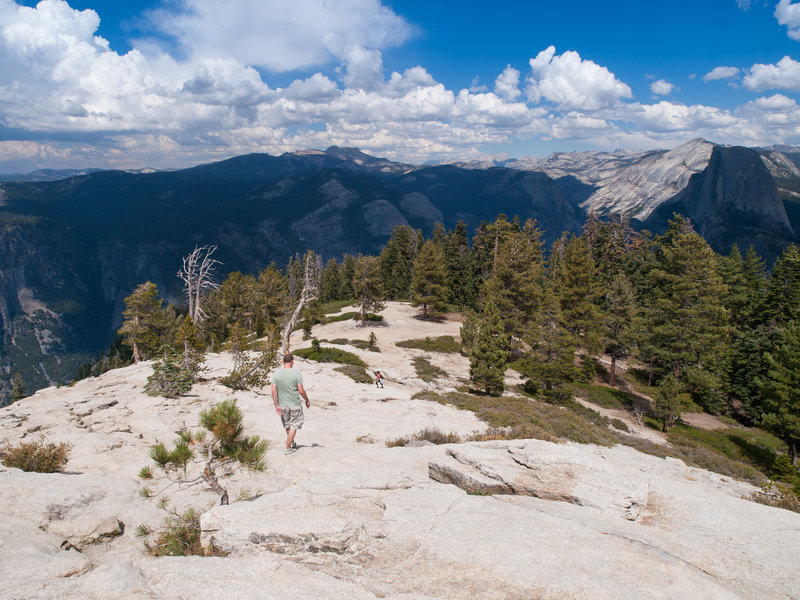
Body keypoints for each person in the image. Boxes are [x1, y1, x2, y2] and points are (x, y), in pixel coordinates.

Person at [271, 353, 310, 454]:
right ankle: (288, 447)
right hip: (294, 404)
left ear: (283, 362)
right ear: (292, 361)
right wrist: (307, 400)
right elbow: (301, 390)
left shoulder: (276, 374)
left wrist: (276, 405)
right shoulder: (296, 373)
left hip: (282, 404)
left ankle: (291, 442)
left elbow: (273, 391)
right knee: (294, 425)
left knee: (287, 425)